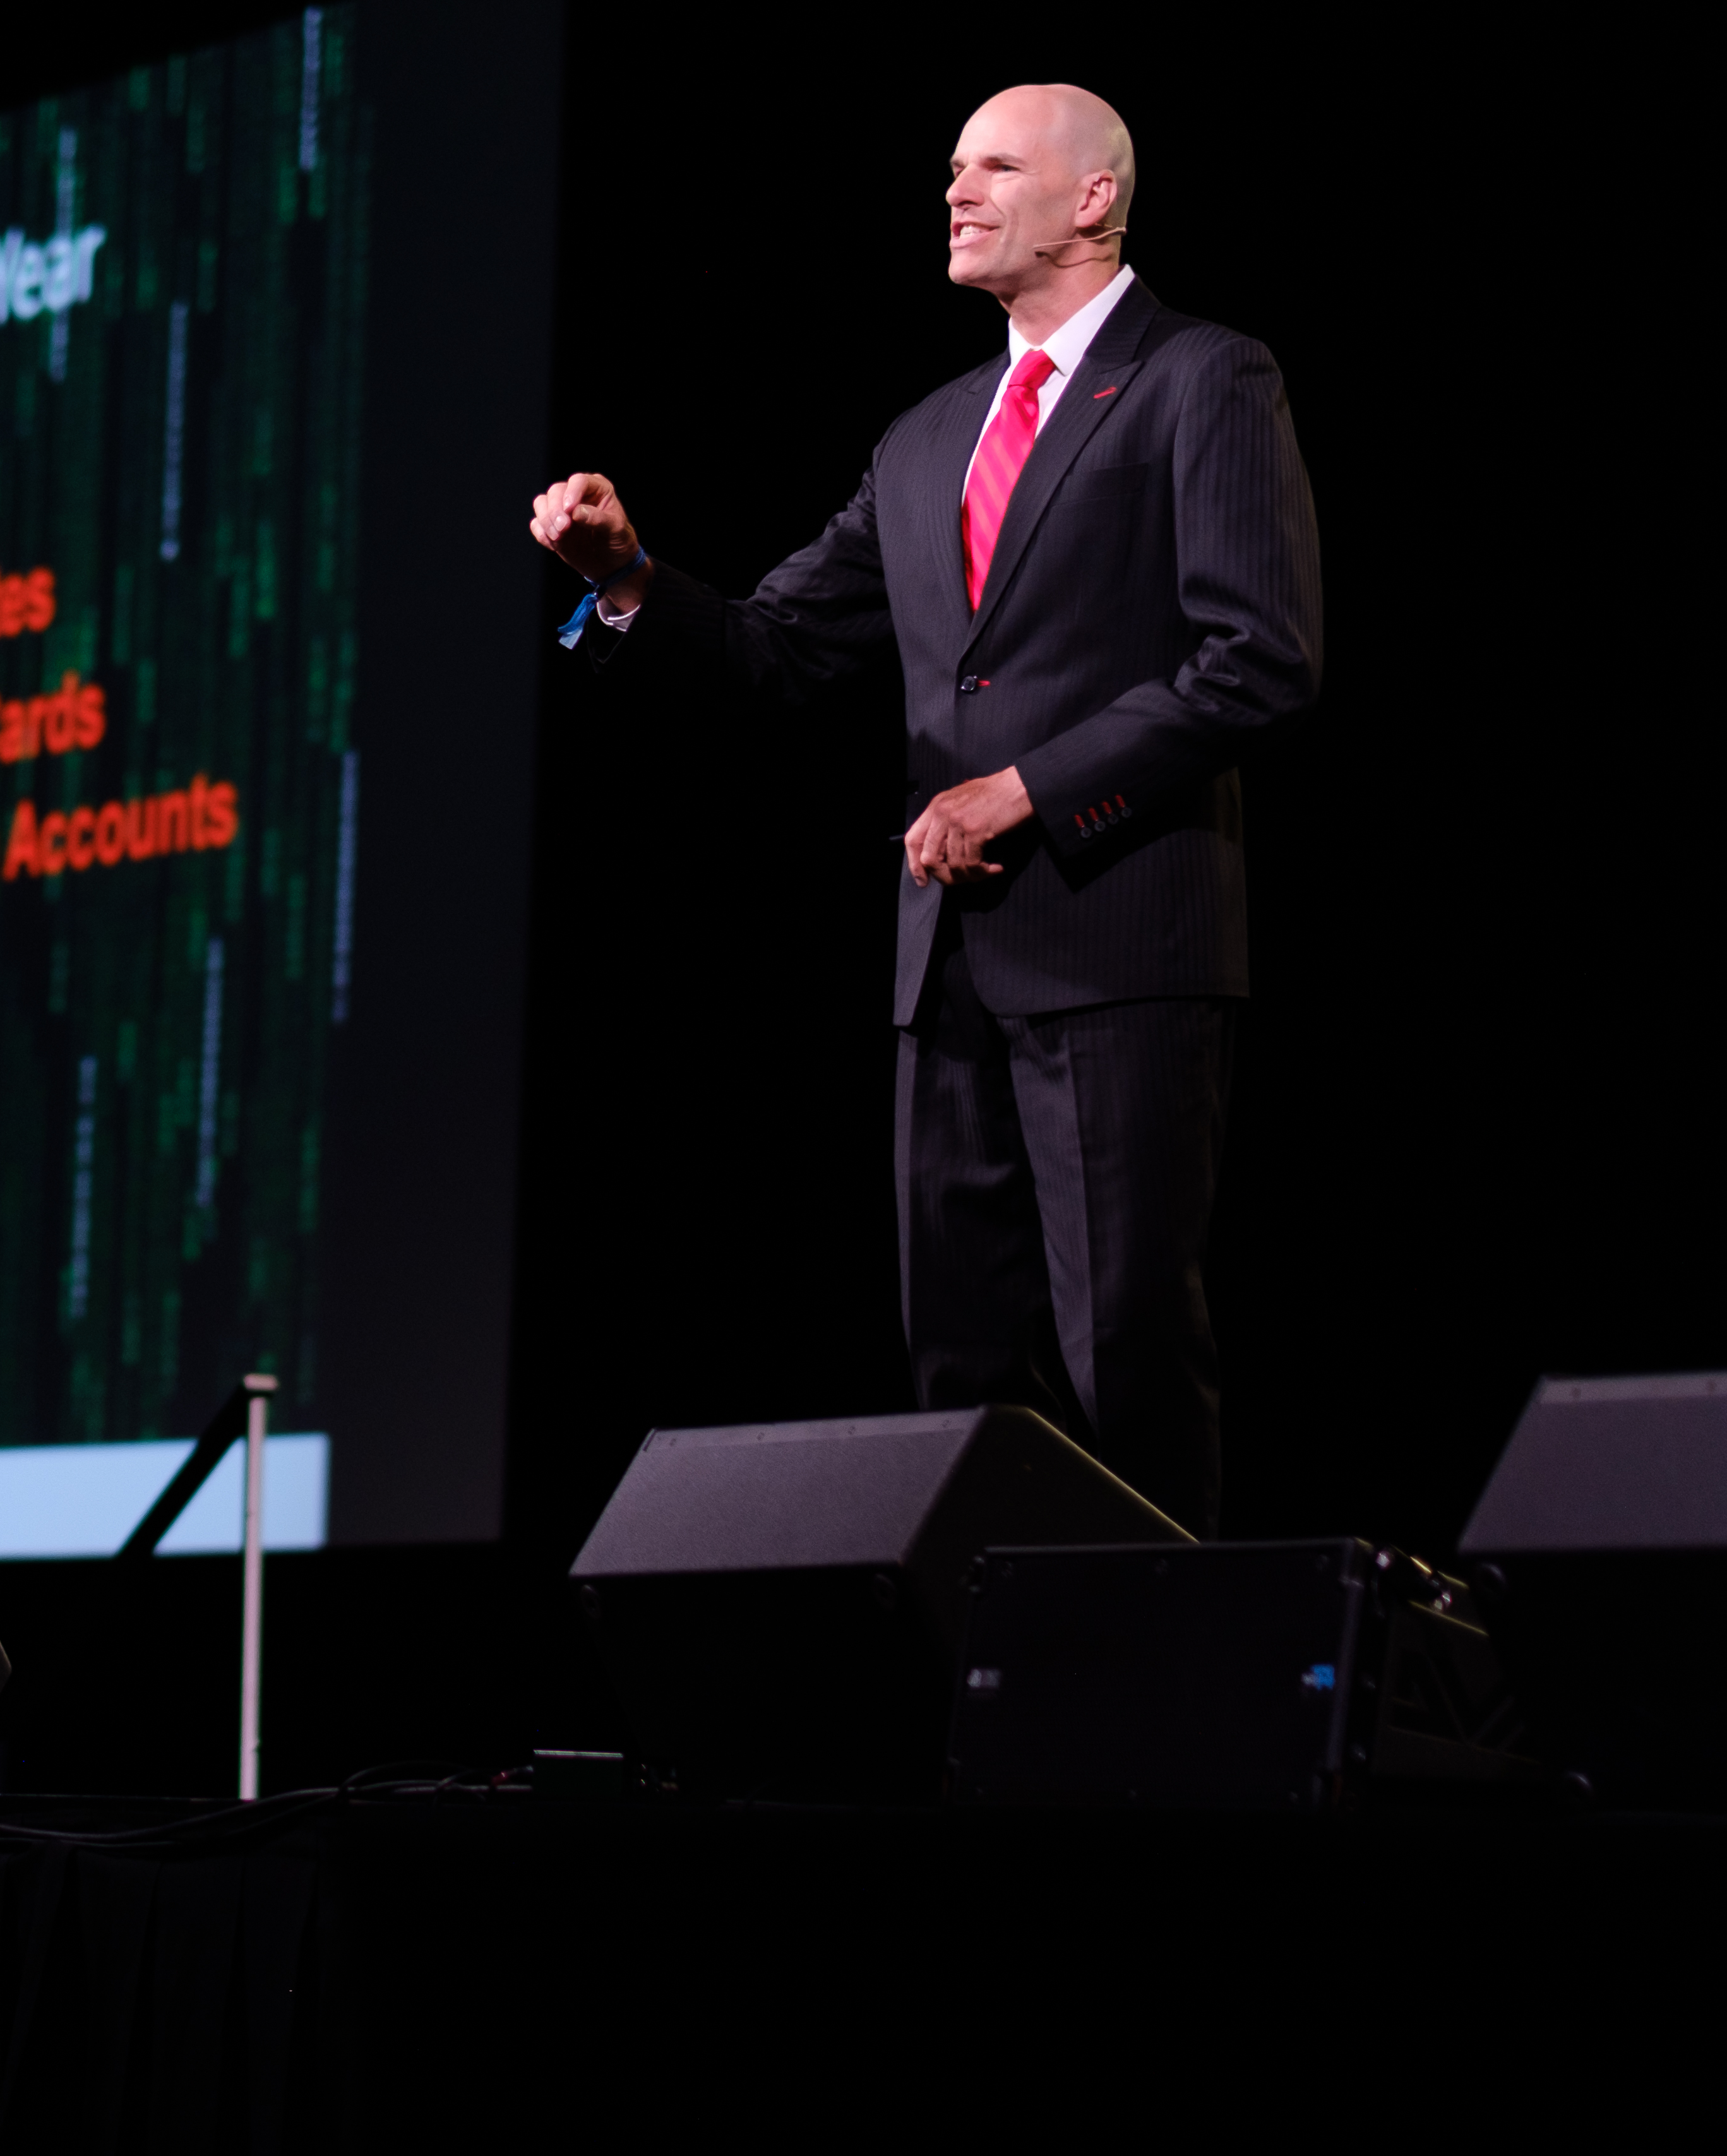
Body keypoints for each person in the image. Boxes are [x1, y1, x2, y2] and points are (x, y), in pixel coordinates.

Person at [527, 84, 1320, 1534]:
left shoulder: (1204, 377)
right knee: (963, 1377)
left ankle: (1172, 1658)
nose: (957, 191)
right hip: (945, 969)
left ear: (1094, 198)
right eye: (954, 167)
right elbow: (769, 649)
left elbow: (1260, 657)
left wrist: (1028, 787)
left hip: (1120, 946)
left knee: (1126, 1353)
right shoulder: (926, 436)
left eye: (996, 167)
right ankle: (1001, 1663)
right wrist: (626, 576)